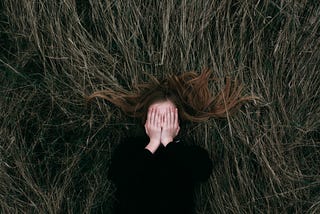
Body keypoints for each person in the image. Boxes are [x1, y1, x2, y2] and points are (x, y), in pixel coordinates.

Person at [87, 69, 256, 214]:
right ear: (146, 120)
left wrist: (169, 142)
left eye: (168, 118)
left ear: (177, 122)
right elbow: (118, 175)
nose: (161, 124)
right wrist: (152, 145)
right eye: (156, 117)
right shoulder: (131, 148)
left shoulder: (187, 152)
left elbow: (202, 171)